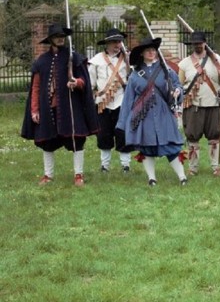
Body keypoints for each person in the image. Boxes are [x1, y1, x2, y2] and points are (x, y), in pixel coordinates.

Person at [21, 23, 100, 186]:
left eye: (62, 36)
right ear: (50, 40)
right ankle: (48, 175)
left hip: (71, 108)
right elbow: (36, 87)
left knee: (77, 140)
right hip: (49, 108)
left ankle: (79, 175)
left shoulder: (74, 57)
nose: (60, 39)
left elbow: (84, 81)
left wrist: (76, 82)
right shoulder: (41, 61)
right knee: (47, 142)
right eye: (57, 37)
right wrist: (35, 109)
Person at [116, 37, 187, 186]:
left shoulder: (166, 70)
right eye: (148, 50)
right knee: (147, 147)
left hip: (163, 113)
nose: (151, 52)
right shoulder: (135, 75)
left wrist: (177, 92)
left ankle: (182, 177)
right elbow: (128, 98)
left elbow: (178, 86)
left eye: (153, 50)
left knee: (171, 145)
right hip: (143, 115)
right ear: (142, 53)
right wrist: (123, 123)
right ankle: (151, 179)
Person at [178, 31, 220, 177]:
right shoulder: (184, 64)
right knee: (192, 136)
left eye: (200, 43)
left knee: (214, 136)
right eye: (195, 43)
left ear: (204, 43)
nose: (197, 45)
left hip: (213, 104)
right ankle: (193, 167)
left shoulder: (218, 60)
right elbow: (179, 84)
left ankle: (216, 166)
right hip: (193, 105)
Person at [88, 28, 134, 173]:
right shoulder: (96, 60)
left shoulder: (128, 59)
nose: (118, 44)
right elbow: (91, 83)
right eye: (114, 42)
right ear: (107, 43)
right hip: (103, 102)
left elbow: (133, 79)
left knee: (123, 134)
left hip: (122, 101)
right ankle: (105, 165)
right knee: (103, 134)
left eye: (119, 41)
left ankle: (125, 165)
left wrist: (130, 63)